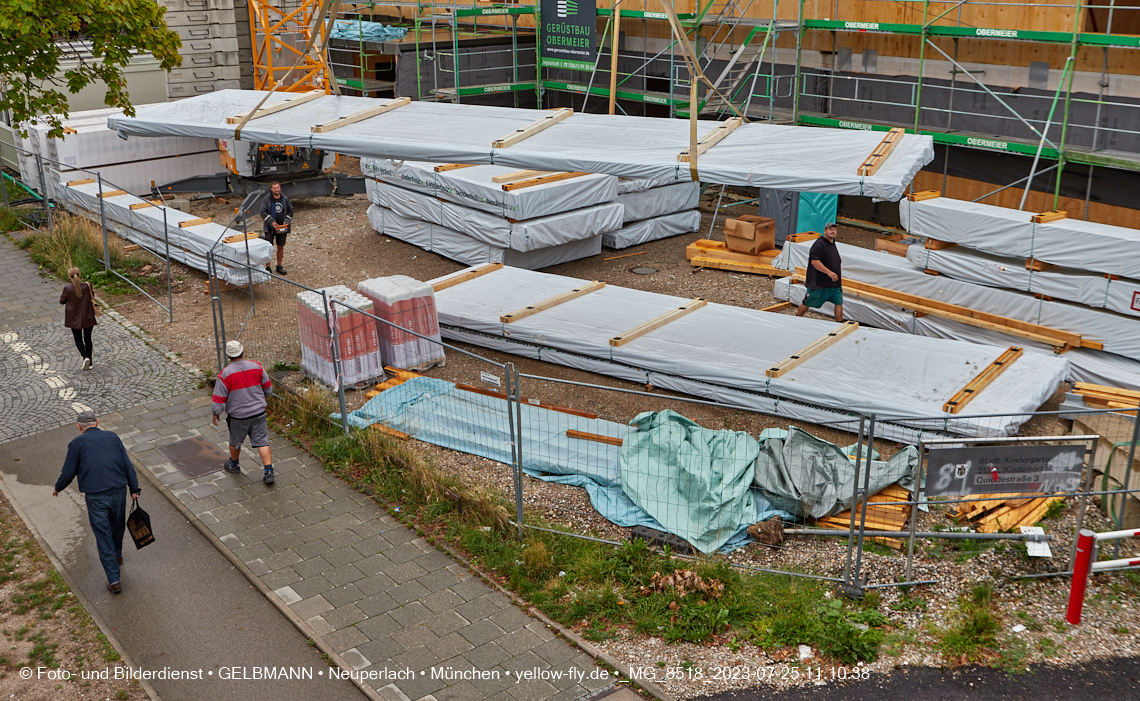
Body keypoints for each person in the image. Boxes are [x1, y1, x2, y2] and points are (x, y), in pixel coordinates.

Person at [53, 411, 140, 594]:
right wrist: (134, 488)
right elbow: (127, 464)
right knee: (117, 526)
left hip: (95, 496)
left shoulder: (77, 443)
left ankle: (114, 579)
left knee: (103, 535)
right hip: (118, 492)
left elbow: (68, 472)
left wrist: (58, 488)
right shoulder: (113, 437)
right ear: (97, 422)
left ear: (79, 426)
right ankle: (117, 556)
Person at [212, 340, 276, 485]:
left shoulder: (225, 374)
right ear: (242, 351)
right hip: (258, 413)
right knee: (262, 441)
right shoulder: (257, 366)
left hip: (238, 416)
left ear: (228, 356)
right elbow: (268, 389)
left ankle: (234, 465)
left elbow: (219, 397)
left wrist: (216, 412)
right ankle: (269, 471)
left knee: (235, 442)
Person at [796, 223, 844, 322]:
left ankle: (839, 323)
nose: (833, 231)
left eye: (834, 230)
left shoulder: (832, 244)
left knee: (839, 302)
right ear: (825, 231)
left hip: (834, 284)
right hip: (819, 283)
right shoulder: (819, 244)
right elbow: (814, 261)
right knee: (808, 301)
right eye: (830, 229)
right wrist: (829, 273)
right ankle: (796, 318)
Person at [60, 267, 98, 370]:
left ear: (69, 276)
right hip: (88, 316)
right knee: (88, 338)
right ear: (79, 274)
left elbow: (62, 301)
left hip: (74, 317)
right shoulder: (87, 286)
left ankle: (85, 356)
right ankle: (90, 362)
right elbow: (92, 296)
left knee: (78, 339)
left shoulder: (67, 288)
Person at [259, 182, 293, 275]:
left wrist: (287, 220)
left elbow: (291, 210)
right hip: (270, 228)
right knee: (269, 247)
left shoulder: (285, 198)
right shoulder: (267, 199)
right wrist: (272, 222)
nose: (276, 190)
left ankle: (279, 266)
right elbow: (262, 212)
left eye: (278, 188)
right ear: (271, 189)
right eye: (274, 188)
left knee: (280, 246)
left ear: (280, 188)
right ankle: (268, 267)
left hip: (282, 228)